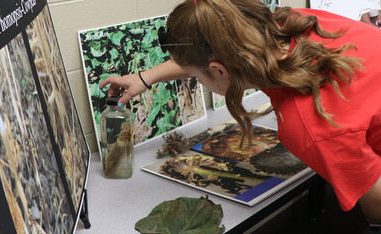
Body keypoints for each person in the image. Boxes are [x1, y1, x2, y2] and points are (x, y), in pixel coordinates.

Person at [100, 0, 381, 223]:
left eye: (197, 77)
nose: (197, 80)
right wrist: (145, 77)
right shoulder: (292, 23)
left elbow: (376, 205)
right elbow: (216, 55)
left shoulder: (309, 124)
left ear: (220, 71)